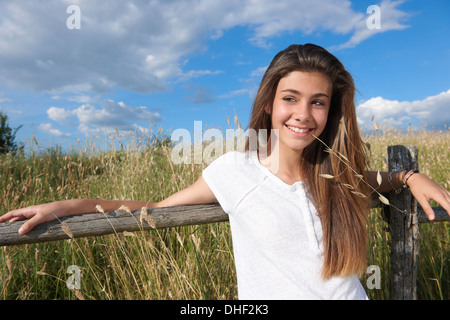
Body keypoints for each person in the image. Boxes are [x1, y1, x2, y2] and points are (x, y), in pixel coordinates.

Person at [1, 44, 449, 299]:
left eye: (319, 102)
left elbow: (370, 181)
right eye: (291, 98)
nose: (304, 114)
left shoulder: (334, 169)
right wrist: (65, 206)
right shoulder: (235, 170)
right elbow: (152, 208)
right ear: (270, 102)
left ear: (330, 112)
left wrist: (408, 177)